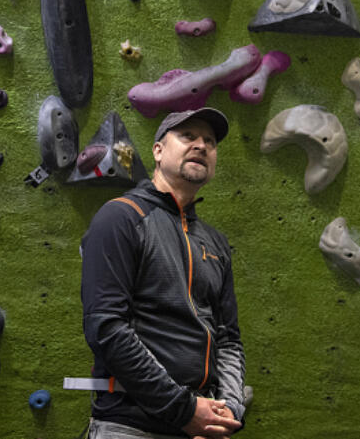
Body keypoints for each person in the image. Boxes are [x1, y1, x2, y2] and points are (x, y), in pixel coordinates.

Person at [81, 107, 245, 439]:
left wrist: (227, 410)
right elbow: (107, 328)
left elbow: (228, 339)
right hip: (130, 426)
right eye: (188, 136)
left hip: (200, 427)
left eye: (210, 142)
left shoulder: (215, 242)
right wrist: (184, 410)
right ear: (158, 151)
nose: (201, 145)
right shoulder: (120, 218)